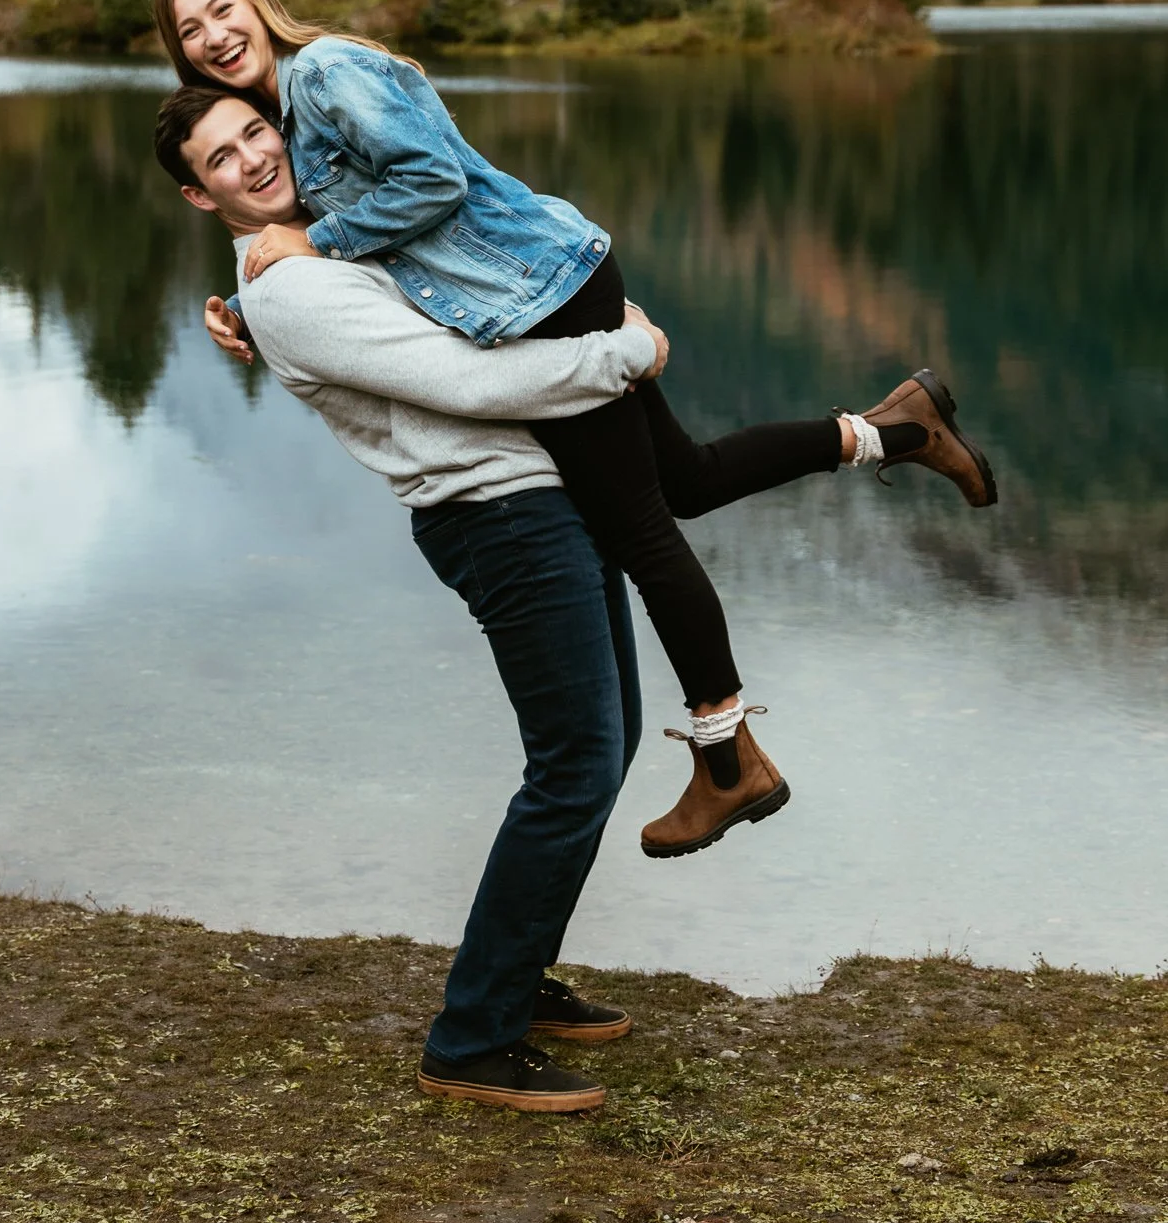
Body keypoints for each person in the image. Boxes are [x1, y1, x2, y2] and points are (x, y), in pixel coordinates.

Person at [151, 85, 980, 1110]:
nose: (251, 157)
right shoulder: (291, 291)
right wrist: (620, 350)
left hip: (538, 489)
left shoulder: (310, 244)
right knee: (575, 761)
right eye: (222, 160)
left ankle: (518, 978)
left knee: (601, 740)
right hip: (496, 514)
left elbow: (442, 227)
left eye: (253, 132)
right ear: (200, 194)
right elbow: (465, 380)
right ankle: (472, 1035)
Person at [152, 0, 999, 857]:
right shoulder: (282, 114)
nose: (214, 36)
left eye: (220, 9)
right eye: (191, 30)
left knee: (638, 529)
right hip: (540, 285)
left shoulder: (321, 73)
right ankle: (891, 430)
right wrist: (247, 304)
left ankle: (728, 760)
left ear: (254, 0)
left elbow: (428, 183)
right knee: (685, 480)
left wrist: (311, 240)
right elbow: (356, 261)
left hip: (541, 294)